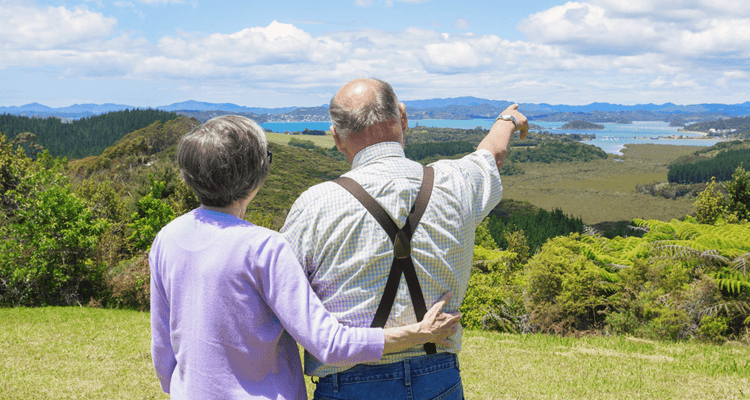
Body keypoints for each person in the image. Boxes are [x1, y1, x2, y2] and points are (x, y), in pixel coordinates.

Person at [149, 115, 461, 399]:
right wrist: (418, 333)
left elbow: (164, 353)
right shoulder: (264, 248)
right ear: (256, 174)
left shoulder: (167, 238)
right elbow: (328, 343)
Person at [280, 78, 528, 399]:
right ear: (403, 117)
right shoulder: (455, 183)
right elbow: (490, 157)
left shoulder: (314, 205)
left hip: (349, 383)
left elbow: (281, 302)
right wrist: (506, 120)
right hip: (438, 377)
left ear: (337, 138)